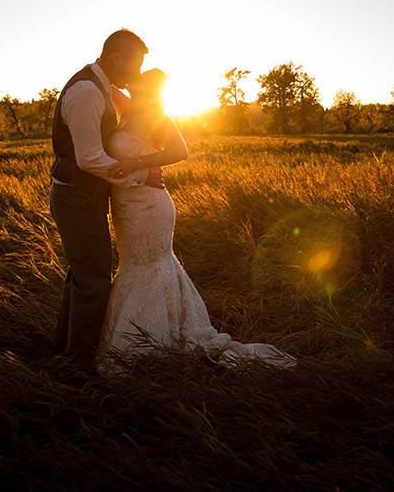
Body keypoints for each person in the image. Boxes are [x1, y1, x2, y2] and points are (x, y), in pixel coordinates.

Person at [95, 68, 298, 374]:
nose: (132, 83)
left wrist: (138, 162)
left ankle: (151, 342)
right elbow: (106, 81)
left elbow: (180, 150)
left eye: (139, 80)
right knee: (134, 263)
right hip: (126, 205)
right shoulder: (128, 106)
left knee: (148, 264)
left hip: (151, 206)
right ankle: (158, 333)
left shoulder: (155, 115)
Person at [49, 29, 163, 372]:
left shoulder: (98, 86)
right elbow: (89, 158)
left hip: (82, 195)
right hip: (77, 196)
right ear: (115, 60)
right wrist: (141, 176)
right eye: (134, 66)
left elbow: (123, 102)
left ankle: (64, 349)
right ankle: (79, 367)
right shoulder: (86, 92)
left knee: (81, 274)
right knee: (94, 279)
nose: (135, 75)